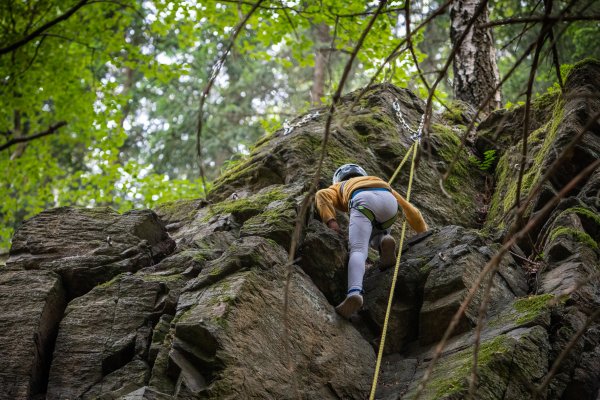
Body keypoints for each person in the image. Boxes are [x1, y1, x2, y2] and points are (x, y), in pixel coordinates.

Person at [315, 163, 428, 318]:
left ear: (337, 180)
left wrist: (332, 223)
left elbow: (321, 195)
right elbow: (411, 210)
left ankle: (354, 292)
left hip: (362, 200)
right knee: (374, 233)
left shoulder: (339, 186)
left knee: (358, 249)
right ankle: (383, 240)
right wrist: (424, 232)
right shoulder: (376, 180)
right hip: (389, 203)